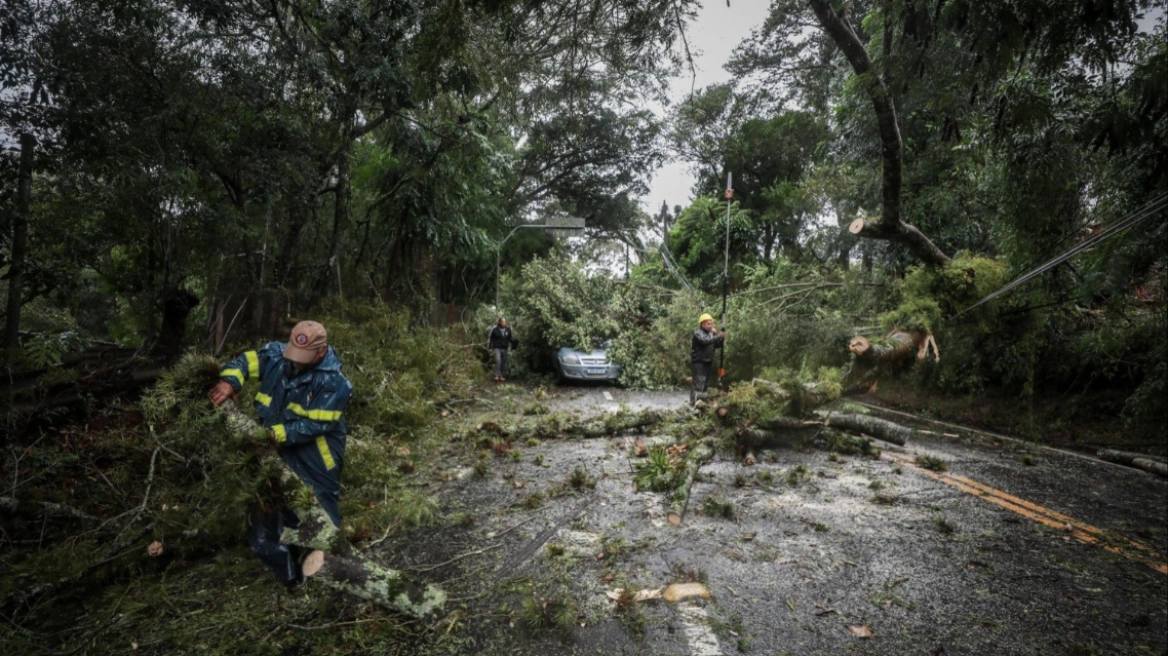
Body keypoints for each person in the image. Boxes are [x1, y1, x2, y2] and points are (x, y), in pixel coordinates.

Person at [209, 320, 353, 591]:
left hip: (316, 456)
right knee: (266, 517)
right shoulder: (275, 355)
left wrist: (275, 435)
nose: (296, 362)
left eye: (304, 357)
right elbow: (244, 362)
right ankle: (291, 577)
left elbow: (315, 425)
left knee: (318, 513)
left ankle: (329, 571)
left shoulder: (335, 383)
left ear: (321, 352)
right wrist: (229, 381)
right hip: (272, 450)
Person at [690, 313, 726, 406]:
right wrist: (717, 336)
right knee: (698, 386)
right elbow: (705, 341)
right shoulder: (698, 334)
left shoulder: (712, 334)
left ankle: (702, 406)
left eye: (711, 324)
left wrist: (720, 337)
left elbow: (718, 345)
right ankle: (693, 405)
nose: (710, 326)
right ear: (702, 324)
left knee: (706, 386)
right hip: (699, 363)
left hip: (708, 362)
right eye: (708, 324)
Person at [486, 317, 519, 382]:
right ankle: (496, 375)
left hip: (504, 348)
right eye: (502, 322)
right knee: (498, 360)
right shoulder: (495, 329)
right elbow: (491, 339)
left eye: (505, 322)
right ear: (499, 322)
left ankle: (501, 375)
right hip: (497, 347)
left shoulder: (508, 329)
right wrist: (490, 348)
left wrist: (515, 342)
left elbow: (510, 338)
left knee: (503, 362)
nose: (504, 323)